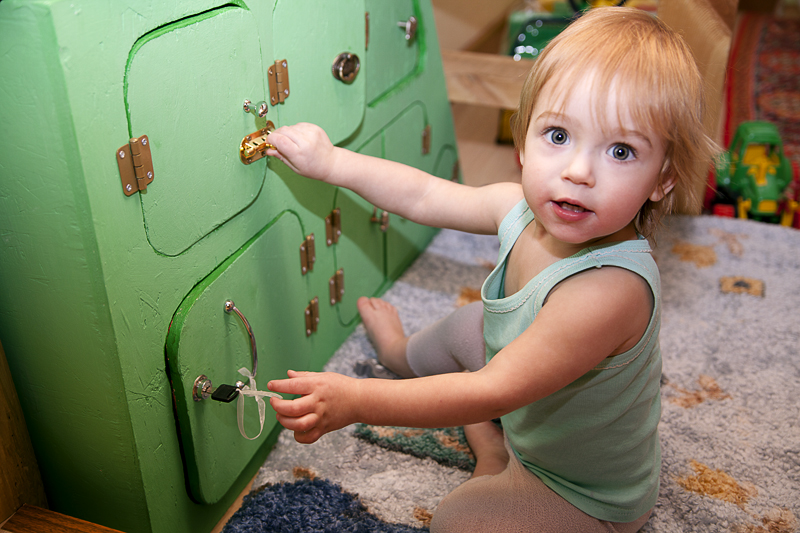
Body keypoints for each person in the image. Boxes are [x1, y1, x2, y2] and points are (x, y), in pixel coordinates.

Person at [266, 7, 718, 532]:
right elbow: (425, 194)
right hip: (529, 408)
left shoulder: (610, 290)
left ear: (663, 179)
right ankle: (400, 355)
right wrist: (332, 163)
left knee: (457, 520)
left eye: (620, 151)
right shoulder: (518, 209)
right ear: (522, 139)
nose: (578, 171)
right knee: (472, 323)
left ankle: (492, 457)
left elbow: (493, 389)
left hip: (579, 493)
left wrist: (356, 400)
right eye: (558, 136)